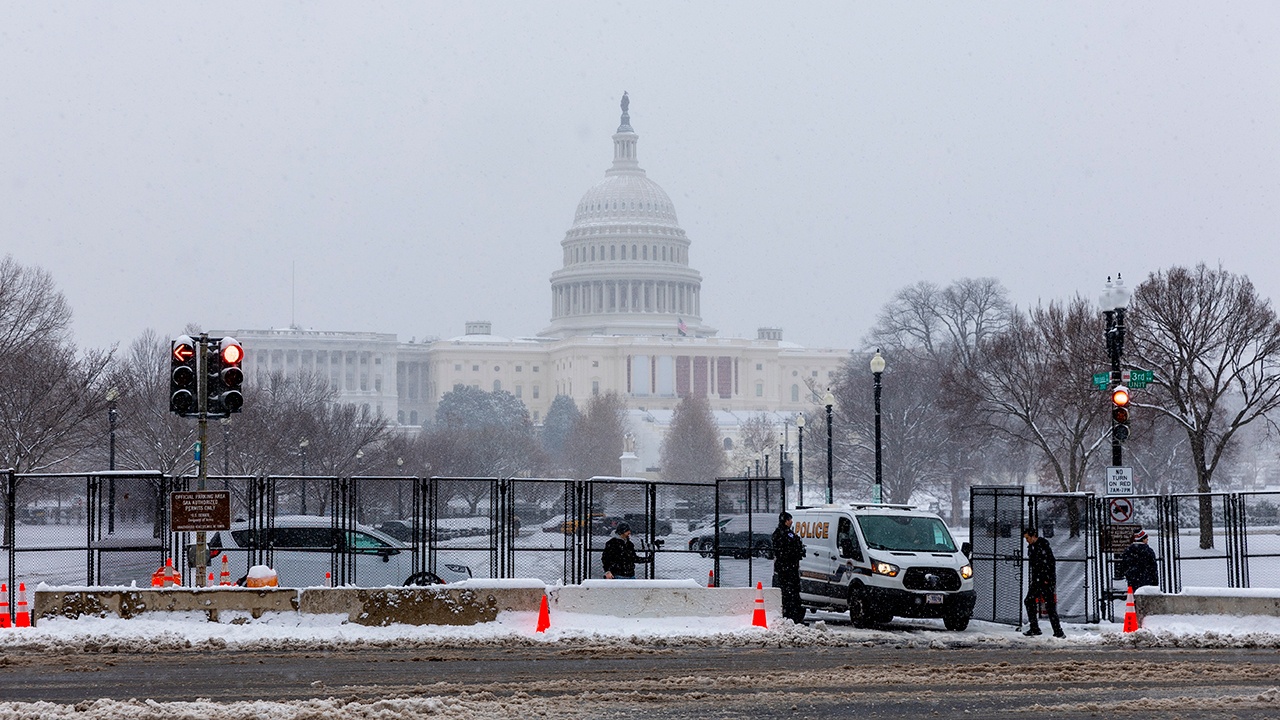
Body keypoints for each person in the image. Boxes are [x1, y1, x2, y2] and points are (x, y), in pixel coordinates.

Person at [1022, 526, 1064, 638]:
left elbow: (1049, 564)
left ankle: (1058, 631)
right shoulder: (1033, 547)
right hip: (1038, 580)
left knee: (1049, 606)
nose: (1027, 540)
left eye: (1027, 538)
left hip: (1045, 580)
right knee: (1029, 601)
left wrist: (1046, 579)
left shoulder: (1042, 547)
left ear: (1033, 536)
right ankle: (1035, 627)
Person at [772, 512, 807, 624]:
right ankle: (791, 617)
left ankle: (792, 616)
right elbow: (787, 549)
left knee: (791, 593)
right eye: (789, 520)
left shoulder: (784, 533)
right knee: (790, 593)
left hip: (788, 567)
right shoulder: (783, 534)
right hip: (787, 568)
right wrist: (797, 551)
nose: (791, 522)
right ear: (785, 520)